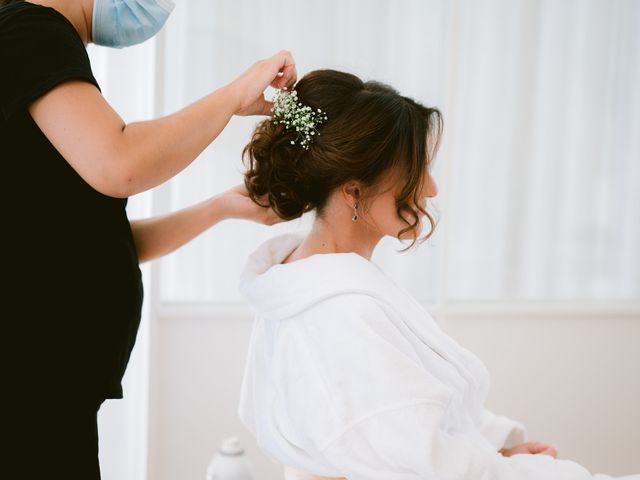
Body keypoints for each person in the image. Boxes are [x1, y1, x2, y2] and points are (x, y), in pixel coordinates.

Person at [237, 70, 640, 480]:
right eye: (415, 172)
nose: (430, 189)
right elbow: (421, 461)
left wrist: (496, 449)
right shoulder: (336, 315)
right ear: (354, 192)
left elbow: (405, 419)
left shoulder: (313, 282)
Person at [0, 0, 294, 477]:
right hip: (29, 399)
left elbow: (94, 246)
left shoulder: (32, 45)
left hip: (49, 398)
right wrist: (235, 95)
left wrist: (221, 207)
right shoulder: (32, 31)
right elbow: (121, 163)